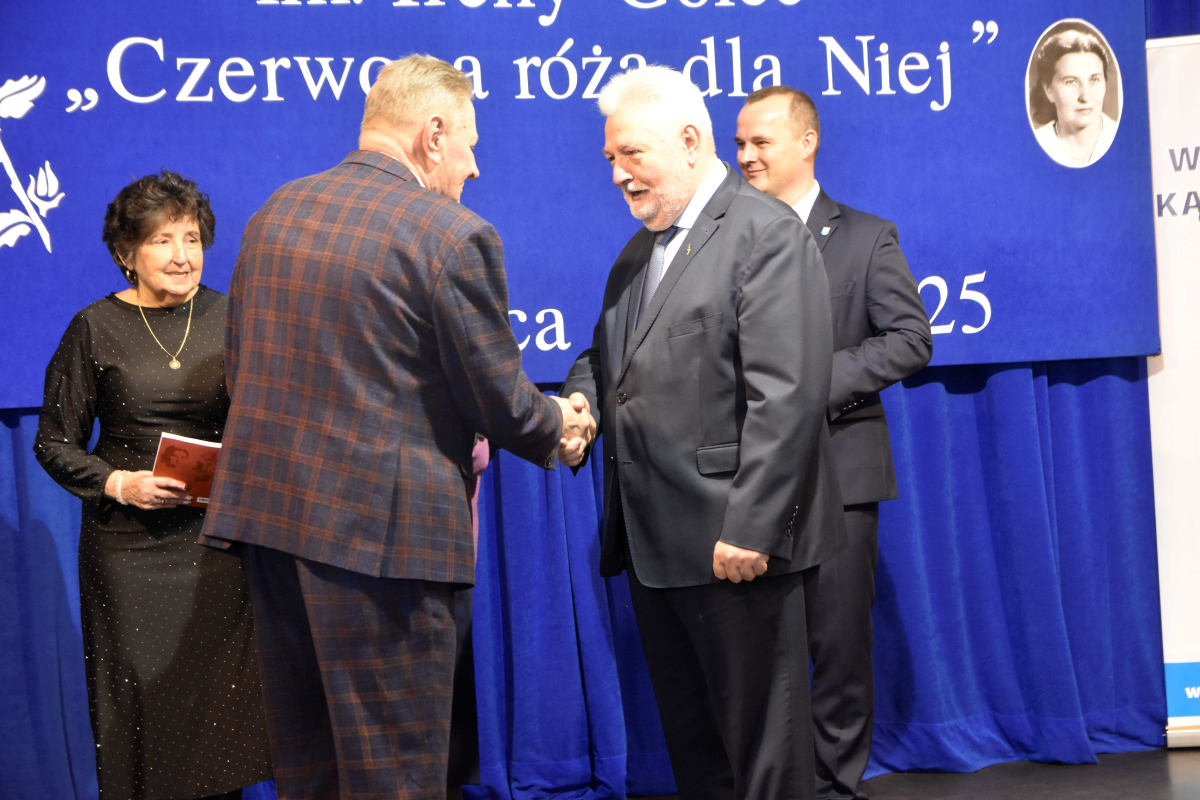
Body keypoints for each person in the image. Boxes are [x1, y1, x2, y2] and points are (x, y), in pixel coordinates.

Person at [199, 54, 594, 800]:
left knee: (310, 764)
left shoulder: (275, 212)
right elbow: (499, 399)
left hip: (272, 529)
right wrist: (560, 425)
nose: (474, 166)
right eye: (470, 142)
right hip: (383, 547)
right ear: (433, 134)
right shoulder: (450, 234)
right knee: (396, 771)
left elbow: (240, 369)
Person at [561, 66, 846, 800]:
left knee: (765, 762)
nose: (618, 174)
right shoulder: (638, 252)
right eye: (611, 158)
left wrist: (752, 527)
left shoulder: (765, 233)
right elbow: (607, 357)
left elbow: (788, 398)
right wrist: (581, 403)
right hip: (657, 549)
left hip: (737, 549)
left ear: (690, 141)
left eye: (632, 154)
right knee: (699, 759)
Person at [33, 171, 272, 800]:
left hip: (216, 548)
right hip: (128, 552)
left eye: (191, 238)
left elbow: (265, 422)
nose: (182, 255)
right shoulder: (93, 327)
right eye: (163, 240)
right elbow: (53, 442)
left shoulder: (231, 317)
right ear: (126, 253)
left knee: (216, 717)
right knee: (144, 717)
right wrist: (118, 482)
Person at [735, 87, 933, 800]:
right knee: (762, 655)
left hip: (841, 475)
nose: (746, 156)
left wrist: (810, 385)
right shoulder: (727, 240)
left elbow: (909, 339)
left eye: (761, 142)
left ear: (807, 142)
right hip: (748, 483)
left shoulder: (867, 237)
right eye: (739, 144)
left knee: (840, 648)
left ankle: (836, 789)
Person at [1030, 27, 1118, 167]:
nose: (1085, 96)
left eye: (1094, 80)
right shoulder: (1034, 143)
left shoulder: (1123, 137)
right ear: (1049, 89)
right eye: (1071, 82)